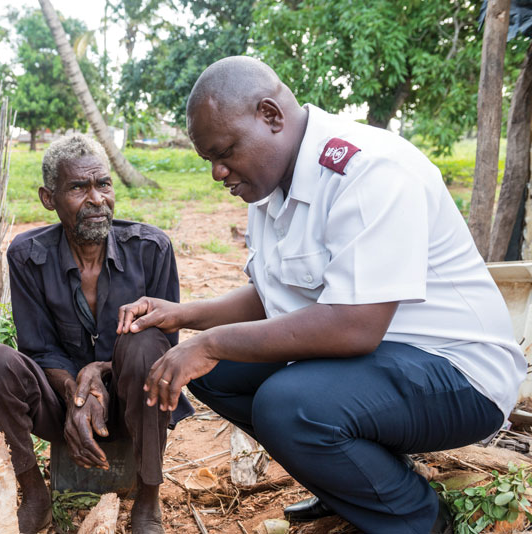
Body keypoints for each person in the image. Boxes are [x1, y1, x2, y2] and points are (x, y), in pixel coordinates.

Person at [116, 56, 526, 534]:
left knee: (287, 404)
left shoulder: (370, 171)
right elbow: (274, 296)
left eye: (224, 151)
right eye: (209, 160)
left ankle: (417, 519)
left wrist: (210, 342)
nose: (217, 172)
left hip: (458, 372)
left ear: (270, 115)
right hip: (383, 364)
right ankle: (351, 485)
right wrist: (185, 316)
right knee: (215, 374)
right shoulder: (268, 184)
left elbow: (354, 326)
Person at [0, 133, 191, 534]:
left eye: (103, 184)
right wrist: (76, 395)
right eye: (78, 187)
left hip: (133, 403)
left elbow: (165, 351)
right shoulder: (28, 255)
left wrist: (97, 371)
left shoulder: (151, 249)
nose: (96, 199)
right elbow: (37, 348)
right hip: (60, 410)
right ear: (48, 198)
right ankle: (36, 496)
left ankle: (147, 500)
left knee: (144, 343)